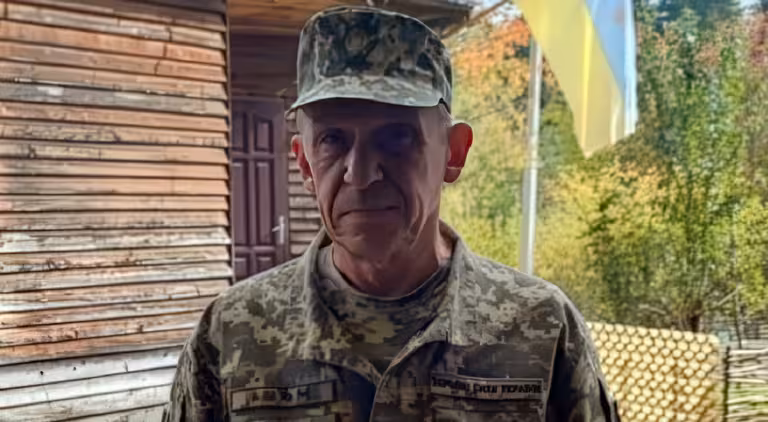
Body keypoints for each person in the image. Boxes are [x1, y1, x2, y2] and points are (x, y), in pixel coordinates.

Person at [164, 5, 619, 422]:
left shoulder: (541, 328)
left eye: (398, 136)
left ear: (453, 153)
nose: (361, 174)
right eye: (333, 140)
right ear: (304, 163)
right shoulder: (230, 333)